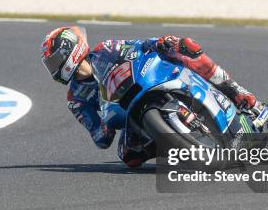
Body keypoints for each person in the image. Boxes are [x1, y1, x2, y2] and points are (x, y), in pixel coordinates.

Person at [41, 26, 257, 167]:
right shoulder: (75, 99)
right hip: (127, 114)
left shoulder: (106, 49)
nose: (54, 70)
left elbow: (139, 45)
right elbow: (100, 137)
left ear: (70, 51)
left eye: (54, 61)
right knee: (128, 156)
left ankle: (237, 92)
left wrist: (161, 43)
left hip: (147, 80)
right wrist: (103, 130)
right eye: (50, 66)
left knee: (187, 48)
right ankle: (179, 144)